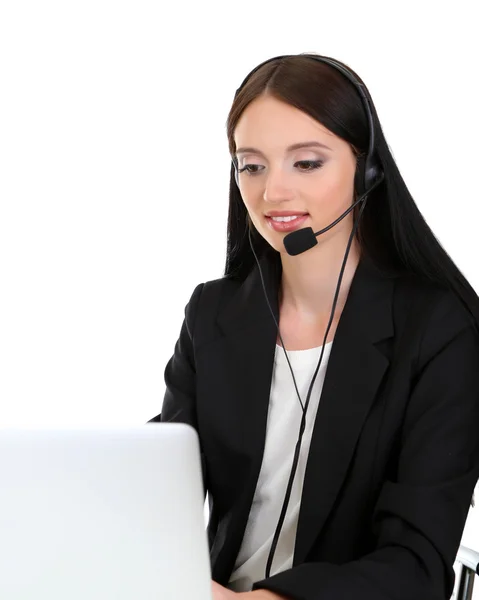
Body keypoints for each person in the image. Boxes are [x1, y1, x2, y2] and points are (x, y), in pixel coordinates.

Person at [151, 53, 479, 600]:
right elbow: (158, 487)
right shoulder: (212, 315)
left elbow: (415, 566)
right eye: (251, 165)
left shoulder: (439, 331)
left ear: (366, 169)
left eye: (306, 163)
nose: (272, 192)